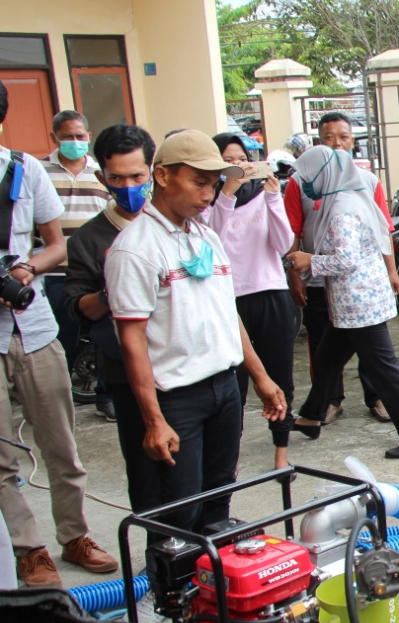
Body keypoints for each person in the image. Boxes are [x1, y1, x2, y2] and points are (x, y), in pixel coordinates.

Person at [106, 130, 287, 534]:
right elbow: (132, 340)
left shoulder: (205, 237)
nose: (209, 194)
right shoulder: (136, 248)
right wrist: (153, 419)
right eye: (199, 182)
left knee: (218, 496)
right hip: (176, 399)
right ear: (164, 176)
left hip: (223, 388)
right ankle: (169, 591)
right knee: (177, 509)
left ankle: (212, 585)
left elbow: (227, 312)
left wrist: (260, 376)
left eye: (214, 184)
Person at [0, 85, 116, 587]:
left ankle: (75, 535)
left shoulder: (24, 171)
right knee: (2, 454)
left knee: (60, 442)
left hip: (34, 325)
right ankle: (28, 548)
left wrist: (26, 269)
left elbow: (55, 245)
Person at [287, 146, 399, 460]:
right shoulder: (351, 196)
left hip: (358, 303)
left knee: (384, 369)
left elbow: (346, 259)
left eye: (308, 178)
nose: (305, 184)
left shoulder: (342, 208)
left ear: (324, 174)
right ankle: (311, 417)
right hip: (353, 301)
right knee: (327, 360)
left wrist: (309, 260)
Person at [65, 124, 163, 515]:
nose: (128, 187)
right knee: (146, 469)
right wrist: (115, 290)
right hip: (126, 371)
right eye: (117, 178)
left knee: (198, 470)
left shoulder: (174, 225)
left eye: (137, 176)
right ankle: (161, 558)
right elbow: (78, 307)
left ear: (154, 171)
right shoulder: (89, 240)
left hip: (184, 366)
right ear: (101, 177)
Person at [284, 111, 398, 425]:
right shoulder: (302, 182)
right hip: (320, 281)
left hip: (356, 289)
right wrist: (296, 274)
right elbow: (294, 230)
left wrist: (391, 272)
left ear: (353, 141)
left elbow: (382, 230)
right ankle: (325, 405)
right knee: (324, 347)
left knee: (372, 352)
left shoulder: (366, 182)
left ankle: (381, 401)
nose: (336, 144)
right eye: (328, 138)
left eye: (343, 137)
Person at [205, 132, 296, 471]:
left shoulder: (264, 194)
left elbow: (284, 242)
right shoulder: (209, 201)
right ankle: (233, 453)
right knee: (235, 383)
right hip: (230, 298)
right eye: (228, 160)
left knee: (280, 375)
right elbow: (210, 238)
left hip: (270, 292)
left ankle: (281, 451)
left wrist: (273, 199)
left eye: (241, 158)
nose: (237, 165)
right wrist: (226, 192)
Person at [40, 110, 110, 414]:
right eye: (67, 136)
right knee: (60, 339)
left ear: (89, 137)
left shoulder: (101, 172)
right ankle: (57, 401)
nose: (74, 141)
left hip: (97, 271)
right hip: (55, 273)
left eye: (80, 136)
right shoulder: (39, 171)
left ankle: (106, 397)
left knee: (105, 338)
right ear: (55, 137)